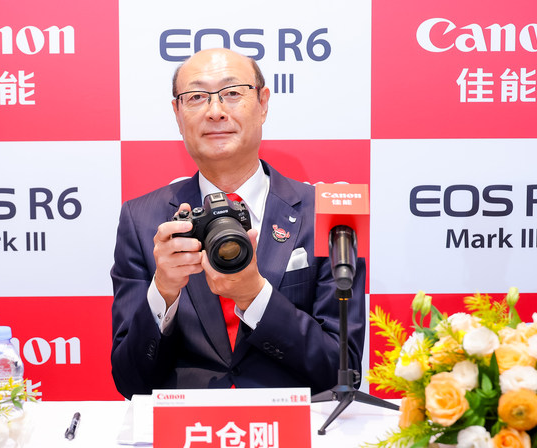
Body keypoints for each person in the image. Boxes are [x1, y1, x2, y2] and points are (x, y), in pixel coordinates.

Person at [110, 48, 365, 399]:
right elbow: (130, 382)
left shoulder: (326, 213)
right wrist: (164, 292)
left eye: (232, 93)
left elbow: (343, 373)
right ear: (178, 114)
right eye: (196, 97)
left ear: (263, 103)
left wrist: (254, 296)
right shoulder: (142, 220)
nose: (215, 111)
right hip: (189, 426)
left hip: (291, 426)